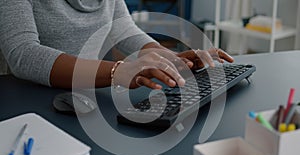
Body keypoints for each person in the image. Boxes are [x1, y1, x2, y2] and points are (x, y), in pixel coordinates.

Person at [0, 0, 234, 90]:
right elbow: (23, 53)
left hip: (89, 94)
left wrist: (169, 59)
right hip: (30, 99)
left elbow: (124, 29)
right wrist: (117, 71)